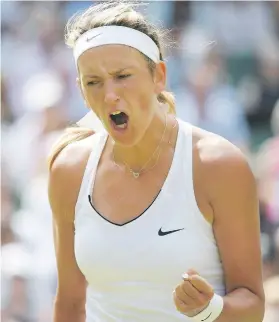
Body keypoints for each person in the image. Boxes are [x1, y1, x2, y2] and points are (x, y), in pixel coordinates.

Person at [48, 2, 265, 322]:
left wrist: (210, 309)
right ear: (81, 90)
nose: (109, 95)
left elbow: (252, 303)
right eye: (93, 82)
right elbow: (69, 304)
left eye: (122, 76)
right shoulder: (68, 170)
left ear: (159, 76)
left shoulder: (220, 165)